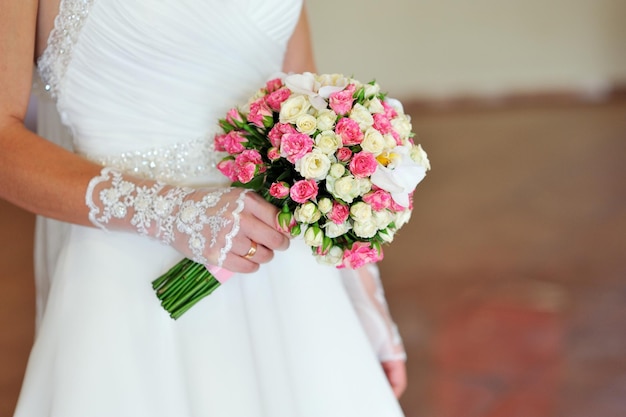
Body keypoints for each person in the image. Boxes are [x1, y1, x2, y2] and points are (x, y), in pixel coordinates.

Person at [1, 1, 408, 416]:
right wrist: (175, 211)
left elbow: (298, 100)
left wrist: (363, 297)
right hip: (127, 275)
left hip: (290, 281)